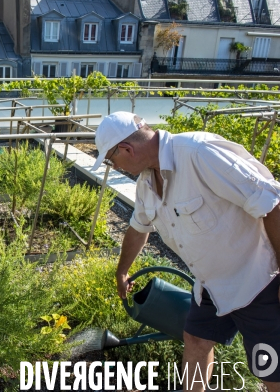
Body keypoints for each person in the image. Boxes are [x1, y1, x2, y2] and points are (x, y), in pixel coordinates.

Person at [91, 111, 280, 392]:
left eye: (111, 159)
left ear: (127, 149)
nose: (115, 166)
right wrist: (122, 271)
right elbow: (139, 228)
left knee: (270, 370)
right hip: (212, 286)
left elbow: (272, 204)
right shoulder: (146, 181)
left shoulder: (199, 153)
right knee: (195, 339)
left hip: (257, 281)